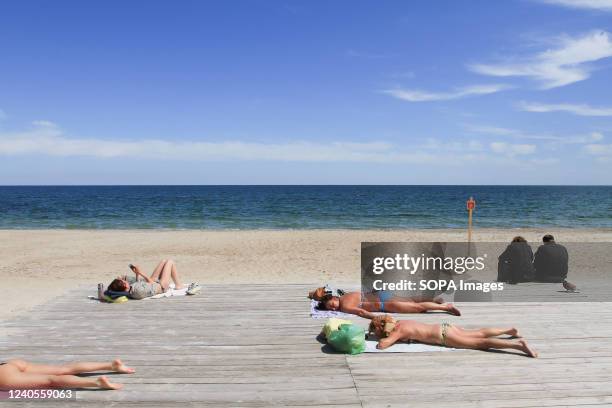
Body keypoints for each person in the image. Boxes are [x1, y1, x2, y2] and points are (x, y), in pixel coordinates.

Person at [369, 315, 537, 358]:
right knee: (479, 332)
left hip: (443, 336)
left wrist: (381, 340)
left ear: (381, 328)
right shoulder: (402, 322)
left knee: (481, 343)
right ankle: (509, 330)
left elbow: (383, 345)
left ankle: (519, 346)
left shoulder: (398, 331)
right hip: (445, 326)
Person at [0, 358, 134, 390]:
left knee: (50, 380)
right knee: (63, 369)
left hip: (3, 375)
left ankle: (97, 382)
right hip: (8, 364)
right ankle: (110, 365)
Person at [314, 290, 461, 318]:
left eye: (331, 304)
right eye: (330, 308)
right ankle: (435, 300)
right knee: (411, 300)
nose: (333, 307)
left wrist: (375, 318)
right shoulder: (345, 294)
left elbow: (361, 312)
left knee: (417, 308)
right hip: (381, 293)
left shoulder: (345, 305)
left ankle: (445, 307)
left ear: (333, 297)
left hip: (384, 303)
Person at [107, 259, 188, 300]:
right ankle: (178, 285)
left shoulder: (131, 289)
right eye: (124, 282)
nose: (125, 281)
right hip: (161, 286)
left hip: (153, 283)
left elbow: (139, 284)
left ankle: (178, 284)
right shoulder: (138, 292)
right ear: (125, 286)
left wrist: (137, 274)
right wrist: (141, 272)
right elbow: (152, 284)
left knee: (164, 261)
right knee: (170, 262)